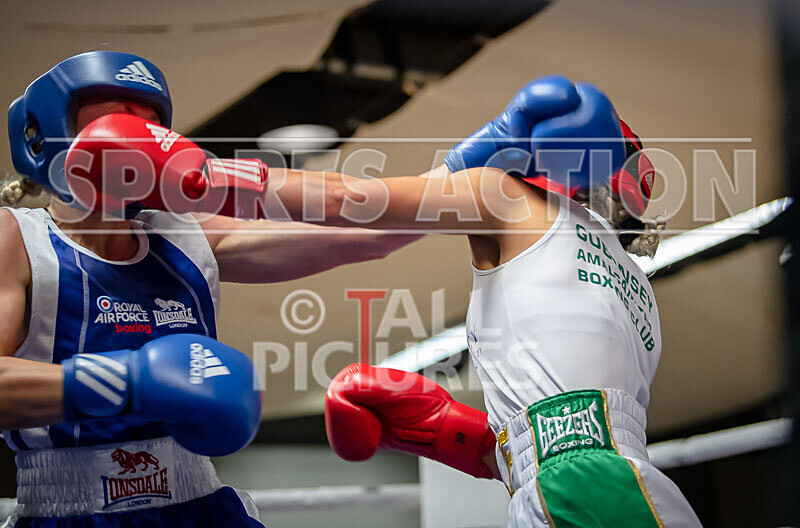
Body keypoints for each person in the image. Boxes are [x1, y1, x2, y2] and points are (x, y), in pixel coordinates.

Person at [0, 51, 421, 527]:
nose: (136, 135)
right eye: (116, 117)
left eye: (149, 122)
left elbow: (370, 232)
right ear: (50, 133)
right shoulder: (16, 238)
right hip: (70, 510)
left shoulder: (184, 233)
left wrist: (470, 170)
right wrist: (131, 381)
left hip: (202, 504)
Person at [273, 76, 701, 526]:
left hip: (582, 491)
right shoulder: (638, 290)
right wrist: (441, 429)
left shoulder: (509, 198)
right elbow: (580, 428)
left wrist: (223, 182)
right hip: (611, 487)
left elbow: (348, 202)